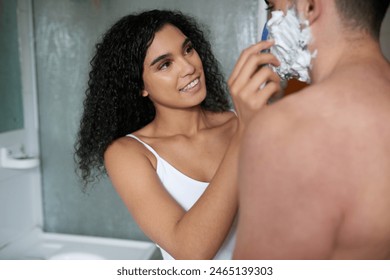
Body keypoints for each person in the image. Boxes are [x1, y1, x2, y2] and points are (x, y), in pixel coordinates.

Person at [74, 10, 281, 259]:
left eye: (188, 50)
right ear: (140, 86)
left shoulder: (244, 120)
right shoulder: (128, 153)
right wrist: (245, 132)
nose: (189, 67)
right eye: (165, 64)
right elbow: (189, 252)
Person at [232, 0, 390, 259]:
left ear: (308, 7)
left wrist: (252, 132)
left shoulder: (289, 130)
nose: (269, 26)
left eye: (272, 8)